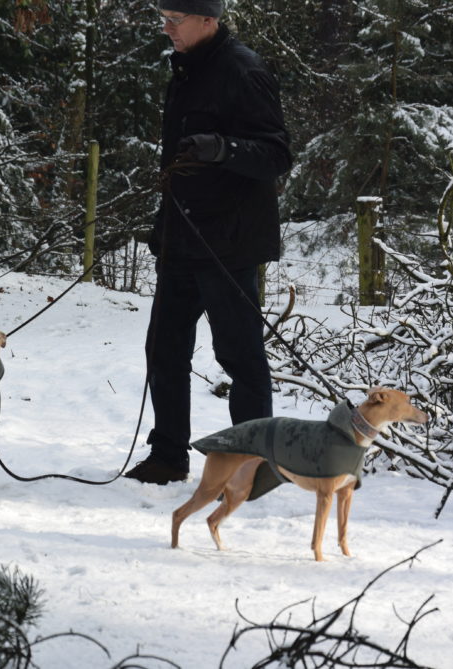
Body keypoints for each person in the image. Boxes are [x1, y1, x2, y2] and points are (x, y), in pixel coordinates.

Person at [123, 0, 292, 484]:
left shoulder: (244, 70)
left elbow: (277, 155)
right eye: (164, 19)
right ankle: (169, 455)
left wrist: (223, 149)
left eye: (176, 20)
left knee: (240, 357)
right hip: (182, 238)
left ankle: (254, 465)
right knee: (165, 350)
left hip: (229, 243)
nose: (167, 28)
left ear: (208, 21)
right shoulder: (186, 70)